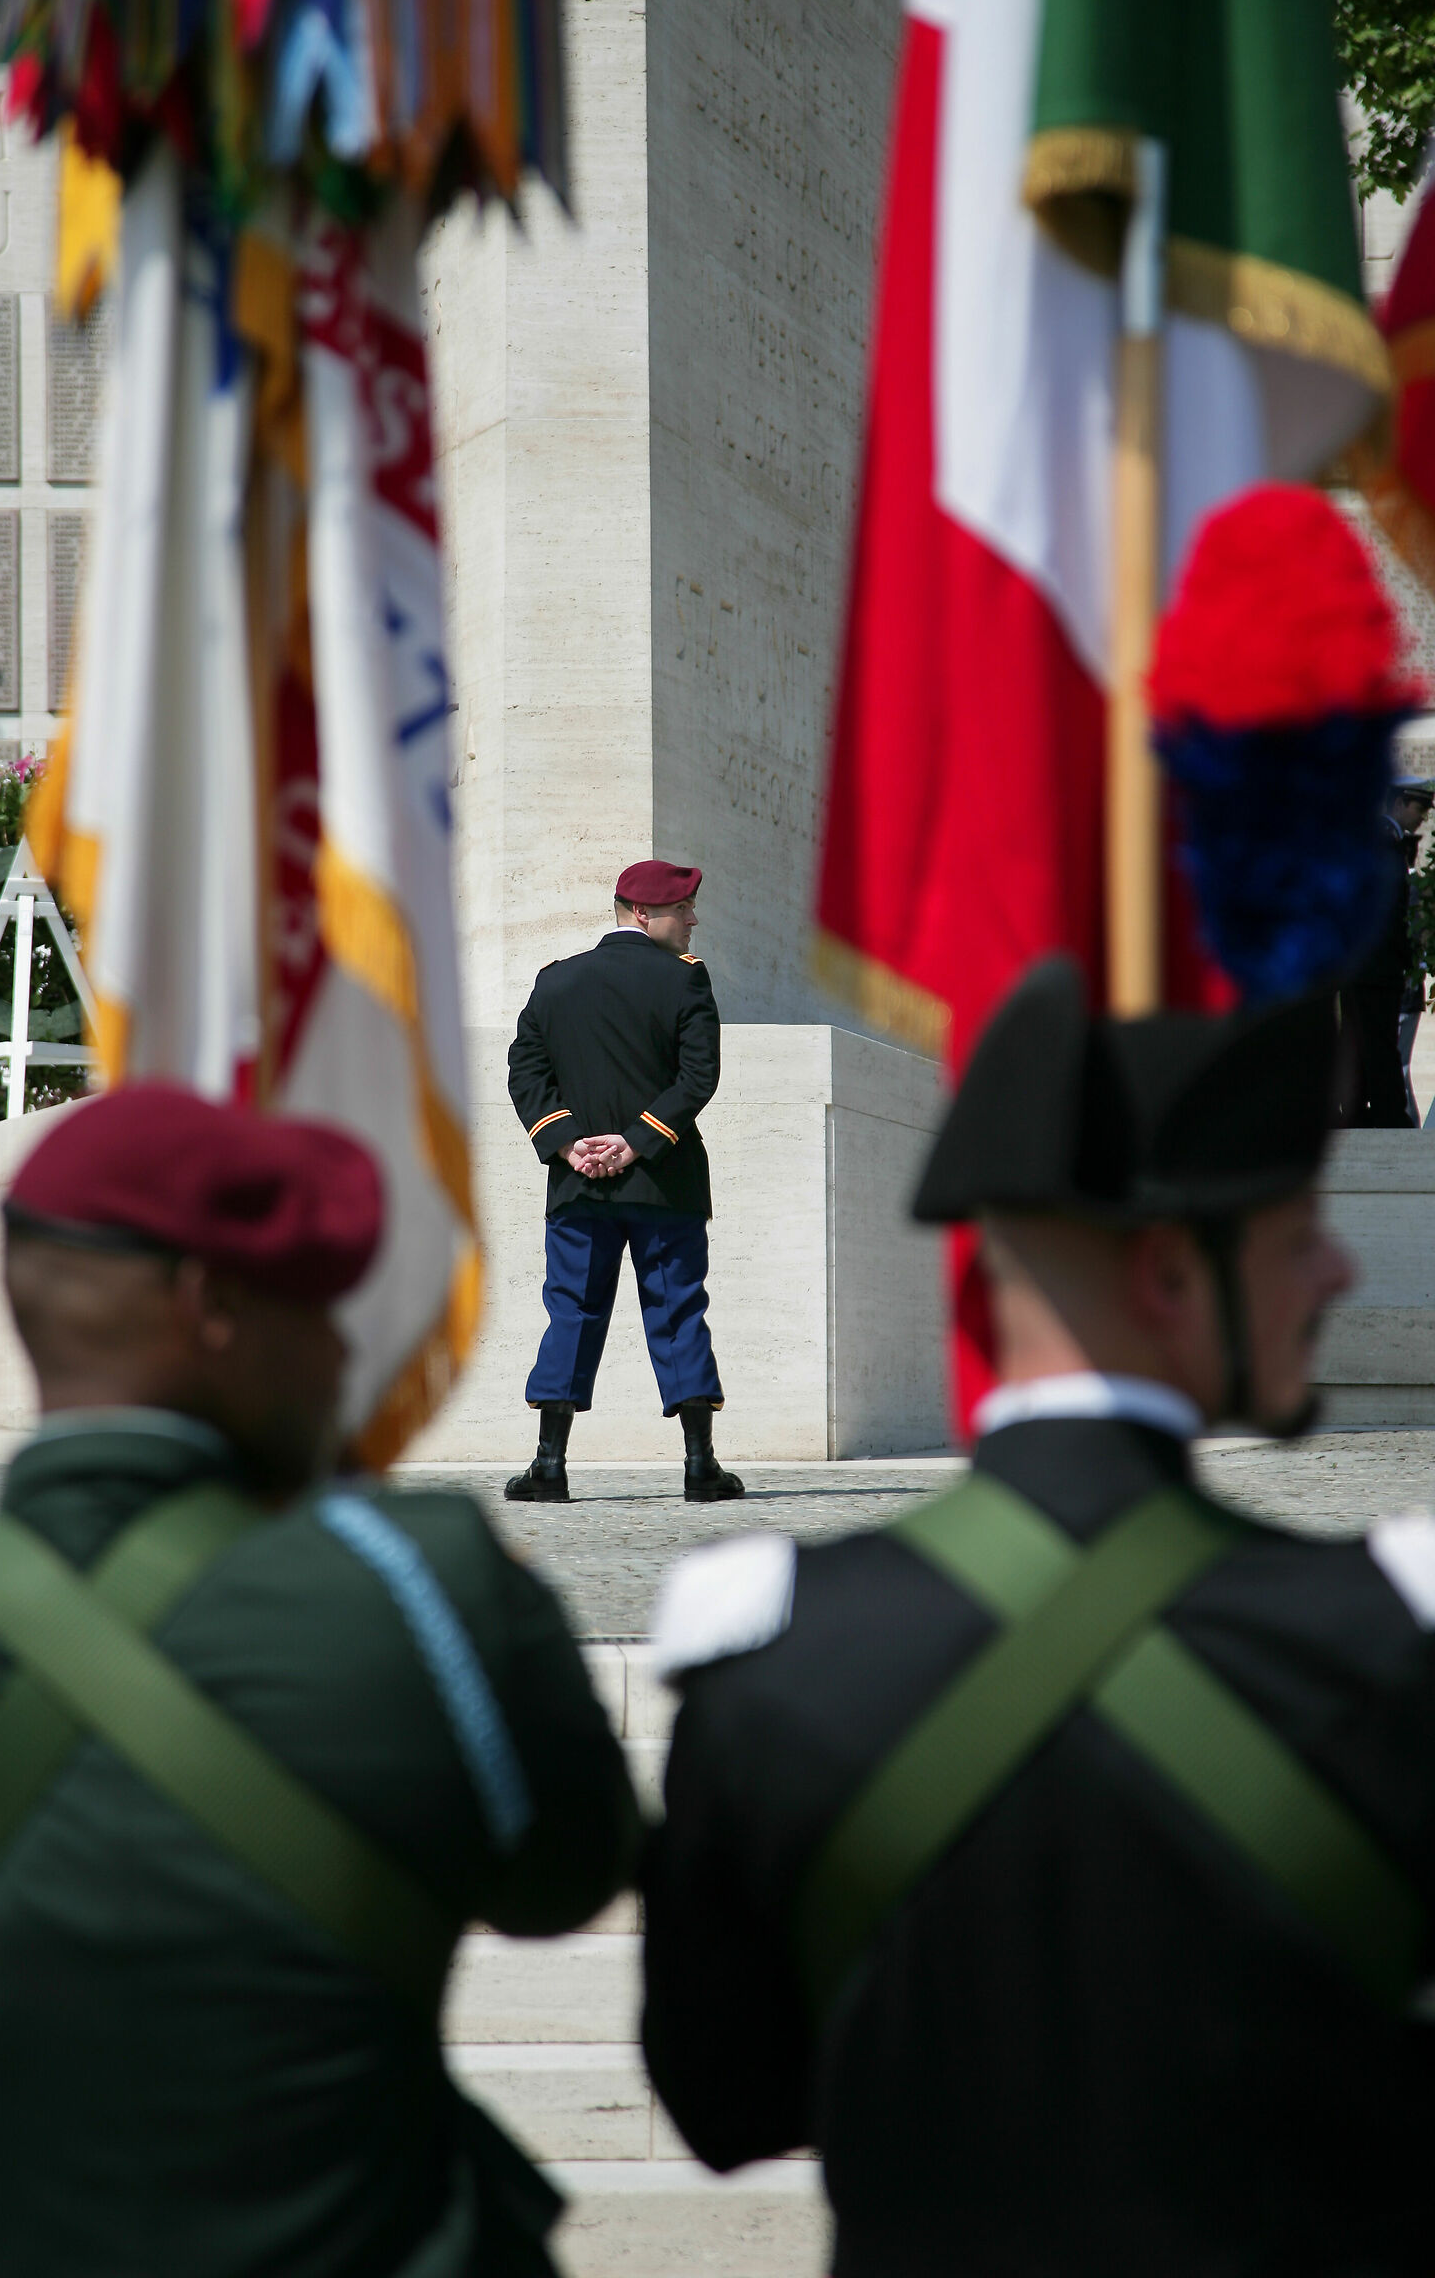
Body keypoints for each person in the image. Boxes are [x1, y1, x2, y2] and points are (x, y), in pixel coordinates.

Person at [642, 954, 1435, 2277]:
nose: (1338, 1270)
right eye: (1300, 1236)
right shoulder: (1386, 1645)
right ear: (1171, 1276)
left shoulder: (776, 1650)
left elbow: (726, 2103)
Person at [0, 1084, 639, 2278]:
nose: (346, 1357)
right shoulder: (427, 1591)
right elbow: (567, 1877)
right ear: (213, 1307)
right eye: (316, 1308)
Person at [505, 858, 740, 1504]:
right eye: (681, 909)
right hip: (665, 1183)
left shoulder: (556, 981)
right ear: (642, 913)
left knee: (572, 1313)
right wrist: (638, 1143)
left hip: (580, 1186)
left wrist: (567, 1142)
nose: (693, 920)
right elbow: (698, 1078)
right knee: (678, 1311)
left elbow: (524, 1070)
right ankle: (700, 1467)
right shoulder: (685, 980)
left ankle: (549, 1466)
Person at [1340, 777, 1430, 1126]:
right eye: (1419, 808)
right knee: (1378, 1039)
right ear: (1398, 803)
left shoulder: (1384, 839)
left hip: (1367, 963)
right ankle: (1388, 1112)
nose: (1422, 817)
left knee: (1362, 1038)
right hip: (1376, 963)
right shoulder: (1382, 841)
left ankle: (1358, 1109)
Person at [1390, 776, 1435, 1118]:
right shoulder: (1412, 884)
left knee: (1399, 1065)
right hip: (1402, 985)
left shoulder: (1413, 886)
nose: (1422, 817)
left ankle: (1404, 1122)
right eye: (1419, 808)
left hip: (1404, 988)